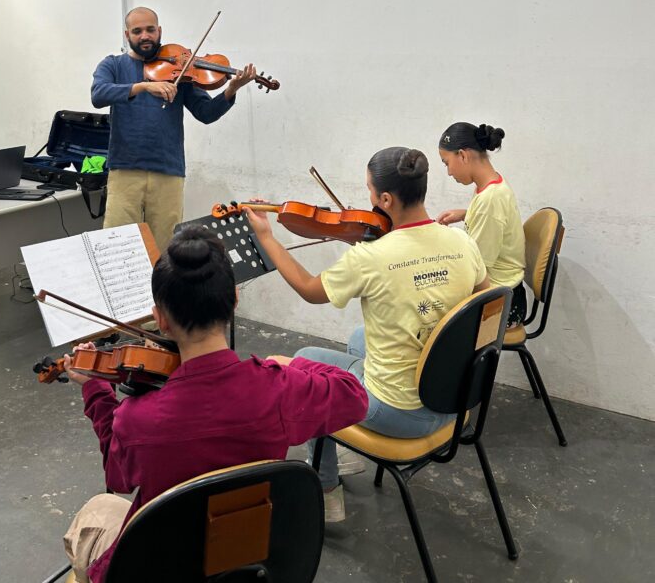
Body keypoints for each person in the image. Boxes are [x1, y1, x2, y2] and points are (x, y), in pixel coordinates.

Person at [63, 225, 369, 583]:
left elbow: (117, 476)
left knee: (97, 511)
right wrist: (290, 364)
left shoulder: (137, 419)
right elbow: (354, 396)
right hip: (249, 559)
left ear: (160, 318)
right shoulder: (280, 389)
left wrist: (95, 390)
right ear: (234, 300)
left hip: (166, 564)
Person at [245, 146, 489, 523]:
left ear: (386, 199)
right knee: (361, 338)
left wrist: (268, 238)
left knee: (307, 363)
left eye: (370, 191)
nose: (368, 198)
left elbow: (310, 290)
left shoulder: (371, 258)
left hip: (401, 412)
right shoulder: (462, 242)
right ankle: (333, 449)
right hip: (457, 401)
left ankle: (326, 489)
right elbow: (484, 302)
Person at [92, 7, 257, 251]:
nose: (145, 36)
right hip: (125, 171)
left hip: (168, 171)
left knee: (165, 250)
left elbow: (206, 113)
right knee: (118, 249)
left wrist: (231, 90)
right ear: (128, 35)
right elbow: (98, 94)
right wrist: (144, 87)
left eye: (150, 29)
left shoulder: (180, 69)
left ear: (159, 31)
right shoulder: (113, 65)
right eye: (137, 31)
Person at [437, 121, 526, 326]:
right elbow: (494, 221)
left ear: (463, 155)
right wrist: (467, 214)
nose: (449, 172)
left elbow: (477, 269)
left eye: (446, 162)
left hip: (501, 302)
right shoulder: (492, 186)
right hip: (505, 288)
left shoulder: (490, 201)